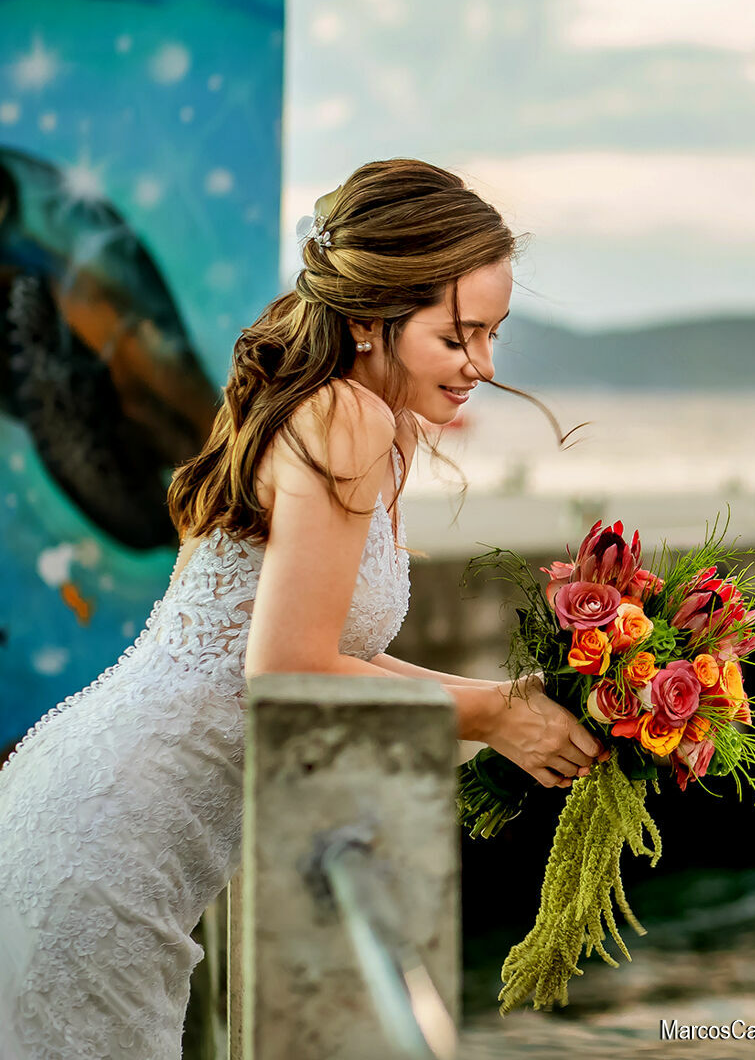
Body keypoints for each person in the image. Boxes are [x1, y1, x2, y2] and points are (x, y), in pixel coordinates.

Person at [0, 158, 605, 1059]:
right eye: (458, 337)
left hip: (95, 815)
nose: (481, 365)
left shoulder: (368, 420)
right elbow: (285, 671)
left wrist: (501, 704)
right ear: (370, 316)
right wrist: (484, 714)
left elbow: (315, 644)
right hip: (108, 846)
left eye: (492, 335)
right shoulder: (345, 421)